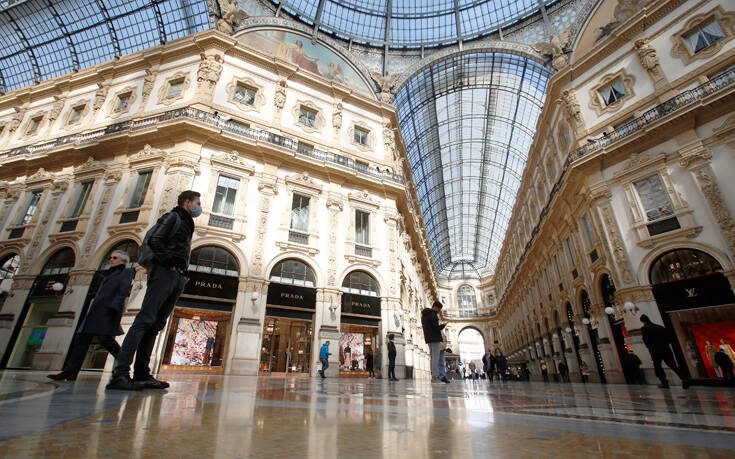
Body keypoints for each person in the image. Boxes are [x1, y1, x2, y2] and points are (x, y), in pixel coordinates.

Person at [107, 190, 201, 391]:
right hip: (164, 272)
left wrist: (182, 273)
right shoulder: (173, 217)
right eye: (197, 203)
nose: (199, 207)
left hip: (176, 276)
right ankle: (120, 374)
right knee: (144, 320)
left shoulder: (187, 222)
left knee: (156, 324)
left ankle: (143, 374)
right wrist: (169, 263)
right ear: (187, 202)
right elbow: (155, 240)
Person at [48, 251, 135, 381]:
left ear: (123, 260)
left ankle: (124, 363)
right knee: (82, 339)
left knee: (106, 340)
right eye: (110, 257)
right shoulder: (109, 274)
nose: (111, 259)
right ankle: (70, 371)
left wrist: (114, 308)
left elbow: (123, 292)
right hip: (96, 312)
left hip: (108, 311)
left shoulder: (126, 272)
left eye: (114, 258)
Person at [640, 314, 690, 389]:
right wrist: (665, 344)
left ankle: (664, 382)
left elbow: (646, 340)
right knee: (673, 365)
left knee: (658, 366)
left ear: (643, 321)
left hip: (655, 350)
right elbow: (669, 338)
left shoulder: (645, 328)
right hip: (666, 349)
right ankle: (684, 379)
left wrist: (650, 346)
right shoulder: (660, 327)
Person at [421, 300, 447, 383]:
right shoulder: (432, 314)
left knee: (433, 358)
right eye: (439, 310)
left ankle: (434, 376)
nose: (439, 312)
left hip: (429, 339)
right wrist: (443, 325)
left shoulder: (424, 315)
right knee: (435, 359)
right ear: (435, 307)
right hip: (435, 339)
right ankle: (435, 377)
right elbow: (436, 328)